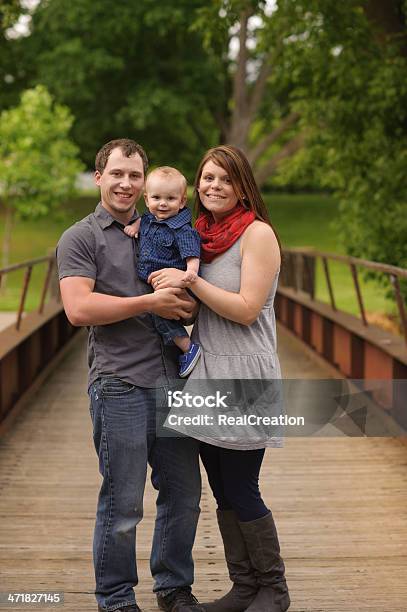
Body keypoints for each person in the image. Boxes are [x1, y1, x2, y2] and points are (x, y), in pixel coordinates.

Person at [56, 139, 202, 612]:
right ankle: (116, 598)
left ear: (144, 184)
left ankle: (173, 587)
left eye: (134, 176)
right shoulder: (81, 237)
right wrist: (150, 303)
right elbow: (78, 309)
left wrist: (187, 295)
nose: (126, 183)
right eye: (116, 173)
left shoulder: (164, 227)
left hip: (175, 381)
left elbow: (197, 290)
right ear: (98, 177)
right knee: (123, 503)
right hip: (119, 382)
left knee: (183, 496)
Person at [148, 145, 291, 612]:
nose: (214, 186)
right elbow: (198, 305)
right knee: (222, 487)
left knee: (243, 485)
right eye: (207, 178)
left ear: (242, 184)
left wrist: (189, 283)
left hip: (245, 374)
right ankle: (244, 587)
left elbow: (247, 310)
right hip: (206, 372)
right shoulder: (200, 234)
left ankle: (273, 588)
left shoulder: (258, 234)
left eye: (225, 179)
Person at [123, 166, 202, 378]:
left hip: (171, 282)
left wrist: (191, 273)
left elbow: (191, 254)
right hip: (154, 281)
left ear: (182, 201)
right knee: (156, 315)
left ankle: (188, 347)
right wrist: (136, 226)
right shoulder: (149, 218)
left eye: (170, 198)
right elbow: (144, 220)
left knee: (160, 317)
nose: (163, 203)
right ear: (147, 200)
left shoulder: (181, 229)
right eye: (157, 198)